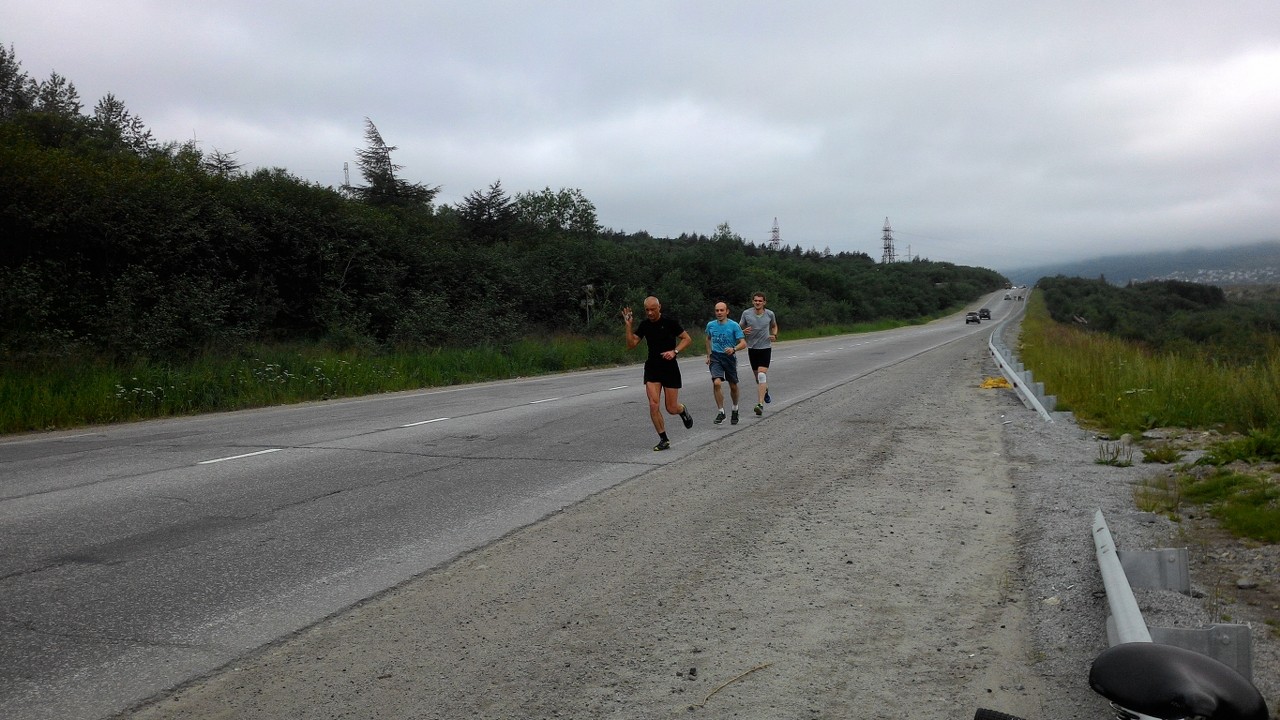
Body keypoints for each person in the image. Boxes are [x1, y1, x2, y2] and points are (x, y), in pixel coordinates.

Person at [623, 296, 694, 451]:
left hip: (669, 368)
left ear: (659, 307)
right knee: (653, 404)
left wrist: (675, 351)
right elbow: (631, 345)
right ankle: (664, 439)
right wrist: (628, 326)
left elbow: (687, 339)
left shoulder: (670, 323)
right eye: (647, 310)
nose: (650, 313)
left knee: (671, 408)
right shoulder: (644, 325)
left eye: (652, 309)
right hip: (652, 368)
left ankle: (682, 410)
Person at [704, 301, 747, 425]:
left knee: (733, 386)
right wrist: (709, 354)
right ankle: (721, 412)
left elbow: (743, 343)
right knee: (717, 383)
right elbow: (708, 339)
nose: (719, 313)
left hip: (729, 358)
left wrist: (733, 349)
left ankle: (735, 408)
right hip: (716, 357)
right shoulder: (711, 325)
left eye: (721, 310)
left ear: (727, 311)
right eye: (717, 310)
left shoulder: (734, 325)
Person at [739, 292, 778, 415]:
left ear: (764, 302)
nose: (757, 302)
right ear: (752, 301)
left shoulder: (770, 314)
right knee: (758, 379)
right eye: (756, 300)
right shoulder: (746, 314)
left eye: (760, 301)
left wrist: (774, 335)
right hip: (752, 349)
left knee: (761, 375)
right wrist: (743, 331)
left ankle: (760, 404)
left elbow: (774, 326)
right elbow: (738, 328)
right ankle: (765, 390)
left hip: (765, 348)